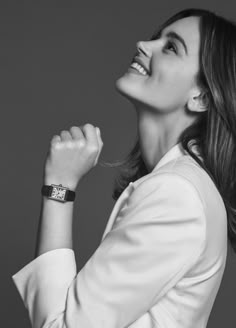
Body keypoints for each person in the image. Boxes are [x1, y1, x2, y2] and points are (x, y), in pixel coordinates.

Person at [11, 7, 236, 328]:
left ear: (200, 97)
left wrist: (59, 186)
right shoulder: (183, 185)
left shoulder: (177, 194)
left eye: (171, 47)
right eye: (157, 37)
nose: (145, 44)